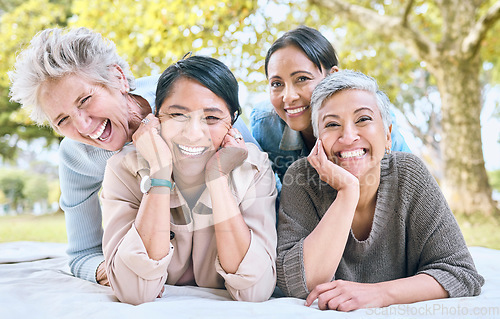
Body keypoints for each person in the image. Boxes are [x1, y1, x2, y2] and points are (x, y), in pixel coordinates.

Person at [8, 27, 258, 285]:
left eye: (84, 100)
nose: (83, 126)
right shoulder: (76, 157)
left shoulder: (188, 94)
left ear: (118, 78)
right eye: (62, 119)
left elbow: (260, 174)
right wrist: (114, 271)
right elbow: (82, 254)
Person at [276, 70, 484, 311]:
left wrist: (379, 293)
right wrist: (347, 192)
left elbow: (461, 273)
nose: (348, 136)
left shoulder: (409, 173)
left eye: (363, 119)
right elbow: (296, 284)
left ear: (387, 135)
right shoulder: (301, 178)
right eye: (332, 124)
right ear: (318, 140)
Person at [100, 55, 277, 305]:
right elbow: (134, 291)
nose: (193, 133)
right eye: (177, 115)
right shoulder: (123, 168)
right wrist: (160, 174)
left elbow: (255, 291)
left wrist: (218, 179)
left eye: (212, 118)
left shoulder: (253, 169)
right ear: (155, 117)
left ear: (233, 123)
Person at [251, 26, 411, 189]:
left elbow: (410, 183)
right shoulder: (265, 125)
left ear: (332, 76)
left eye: (302, 79)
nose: (289, 96)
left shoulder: (373, 118)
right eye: (277, 83)